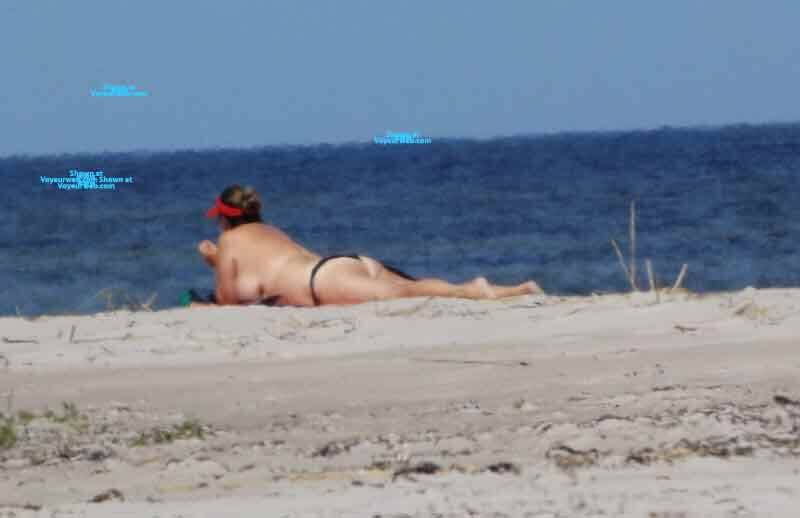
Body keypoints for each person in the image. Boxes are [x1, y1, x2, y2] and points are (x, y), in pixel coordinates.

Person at [194, 184, 543, 307]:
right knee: (415, 288)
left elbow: (227, 300)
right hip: (340, 265)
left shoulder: (229, 240)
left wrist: (213, 259)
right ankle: (516, 290)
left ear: (224, 217)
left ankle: (474, 290)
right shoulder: (270, 231)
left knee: (410, 294)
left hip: (321, 282)